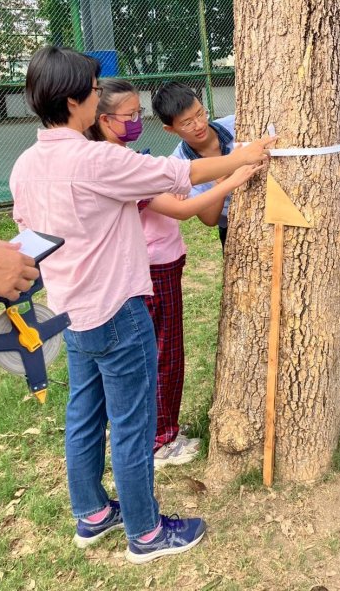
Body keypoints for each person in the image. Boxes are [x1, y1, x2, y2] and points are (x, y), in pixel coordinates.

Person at [10, 46, 274, 562]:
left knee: (84, 413)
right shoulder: (97, 159)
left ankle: (92, 513)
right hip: (116, 310)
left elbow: (30, 235)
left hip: (70, 311)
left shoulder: (26, 164)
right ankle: (146, 533)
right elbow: (176, 177)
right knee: (133, 424)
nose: (98, 101)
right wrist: (242, 158)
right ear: (73, 100)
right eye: (93, 92)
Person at [86, 79, 260, 469]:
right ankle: (161, 438)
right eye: (130, 115)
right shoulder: (118, 164)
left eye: (138, 113)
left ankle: (148, 428)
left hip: (153, 263)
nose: (136, 120)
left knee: (151, 351)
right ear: (104, 119)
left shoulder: (119, 156)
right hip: (153, 265)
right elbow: (183, 210)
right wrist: (231, 179)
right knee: (162, 351)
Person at [151, 82, 235, 250]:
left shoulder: (236, 124)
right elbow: (210, 219)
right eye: (187, 123)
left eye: (200, 113)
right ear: (170, 129)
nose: (200, 125)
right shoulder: (179, 166)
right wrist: (220, 179)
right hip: (233, 228)